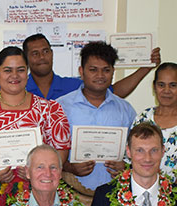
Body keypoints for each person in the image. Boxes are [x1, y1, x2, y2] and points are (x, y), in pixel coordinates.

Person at [0, 47, 71, 203]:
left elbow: (61, 150)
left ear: (27, 72)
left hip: (38, 194)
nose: (15, 76)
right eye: (8, 70)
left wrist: (40, 171)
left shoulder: (49, 109)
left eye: (21, 70)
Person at [58, 41, 137, 194]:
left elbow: (136, 149)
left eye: (106, 70)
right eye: (93, 70)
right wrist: (69, 166)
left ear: (113, 71)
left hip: (115, 195)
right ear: (81, 71)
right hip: (71, 193)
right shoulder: (61, 107)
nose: (100, 76)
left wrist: (126, 166)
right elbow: (48, 151)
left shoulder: (125, 110)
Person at [0, 34, 160, 101]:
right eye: (35, 53)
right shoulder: (13, 88)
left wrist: (145, 68)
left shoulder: (72, 86)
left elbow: (113, 91)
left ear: (52, 53)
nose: (41, 57)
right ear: (26, 60)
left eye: (46, 51)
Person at [131, 62, 177, 187]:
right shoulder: (143, 118)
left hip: (175, 194)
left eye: (173, 85)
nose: (166, 91)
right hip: (141, 190)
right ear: (154, 87)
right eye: (161, 85)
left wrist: (169, 196)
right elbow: (132, 157)